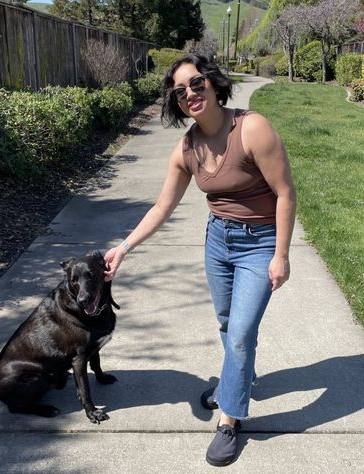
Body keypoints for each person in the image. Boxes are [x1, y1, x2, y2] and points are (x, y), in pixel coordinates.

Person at [104, 54, 296, 467]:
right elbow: (162, 206)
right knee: (228, 323)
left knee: (242, 333)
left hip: (259, 244)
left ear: (212, 82)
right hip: (217, 242)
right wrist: (124, 247)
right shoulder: (187, 147)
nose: (190, 93)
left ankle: (229, 419)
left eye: (196, 83)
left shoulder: (252, 128)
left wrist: (281, 254)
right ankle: (236, 380)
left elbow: (285, 193)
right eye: (179, 91)